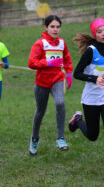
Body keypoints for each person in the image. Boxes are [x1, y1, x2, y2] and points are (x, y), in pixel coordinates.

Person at [69, 18, 104, 181]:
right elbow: (77, 73)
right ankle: (78, 120)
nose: (103, 34)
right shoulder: (91, 51)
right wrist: (95, 79)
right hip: (92, 98)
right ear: (95, 34)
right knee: (93, 135)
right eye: (99, 31)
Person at [28, 15, 73, 155]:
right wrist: (47, 63)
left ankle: (60, 138)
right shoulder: (40, 44)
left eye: (58, 27)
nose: (55, 29)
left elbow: (67, 59)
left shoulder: (62, 43)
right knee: (40, 111)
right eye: (52, 26)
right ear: (46, 27)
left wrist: (69, 74)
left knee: (60, 103)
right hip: (42, 83)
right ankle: (34, 138)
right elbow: (31, 63)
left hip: (57, 79)